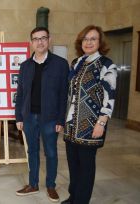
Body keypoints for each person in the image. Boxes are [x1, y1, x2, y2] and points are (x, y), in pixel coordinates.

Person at [61, 25, 117, 204]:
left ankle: (81, 201)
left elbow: (110, 96)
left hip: (91, 125)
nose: (89, 42)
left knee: (86, 167)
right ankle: (73, 197)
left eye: (93, 39)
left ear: (100, 42)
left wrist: (101, 123)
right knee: (73, 165)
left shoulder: (107, 65)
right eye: (85, 39)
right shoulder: (76, 62)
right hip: (71, 126)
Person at [15, 27, 69, 203]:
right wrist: (19, 117)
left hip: (50, 118)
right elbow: (20, 94)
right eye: (36, 39)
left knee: (51, 152)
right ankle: (33, 184)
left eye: (43, 38)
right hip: (29, 116)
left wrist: (61, 119)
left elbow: (63, 95)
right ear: (31, 42)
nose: (40, 42)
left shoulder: (60, 64)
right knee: (32, 151)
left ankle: (51, 186)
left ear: (49, 40)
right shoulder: (25, 66)